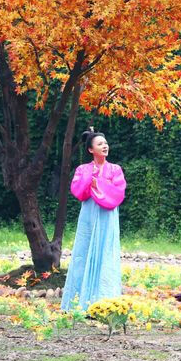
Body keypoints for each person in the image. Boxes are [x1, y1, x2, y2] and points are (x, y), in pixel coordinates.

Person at [60, 128, 126, 312]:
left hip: (107, 218)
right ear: (91, 149)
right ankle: (78, 303)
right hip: (88, 217)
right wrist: (90, 179)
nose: (104, 146)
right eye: (100, 144)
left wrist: (100, 185)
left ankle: (105, 303)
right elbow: (78, 192)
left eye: (105, 144)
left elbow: (119, 193)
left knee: (106, 253)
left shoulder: (115, 169)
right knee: (84, 253)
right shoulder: (83, 169)